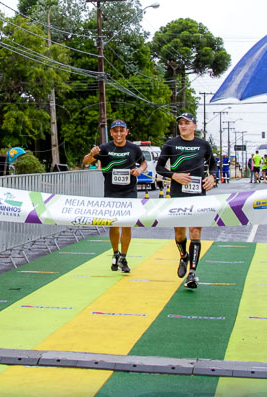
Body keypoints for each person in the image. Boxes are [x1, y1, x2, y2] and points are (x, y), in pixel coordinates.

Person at [156, 112, 216, 289]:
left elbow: (213, 164)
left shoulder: (203, 145)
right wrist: (174, 175)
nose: (183, 126)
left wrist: (212, 177)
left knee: (195, 231)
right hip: (177, 195)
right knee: (180, 233)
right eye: (181, 123)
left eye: (187, 123)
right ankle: (183, 256)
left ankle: (192, 273)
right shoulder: (171, 144)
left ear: (194, 126)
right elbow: (159, 167)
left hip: (198, 194)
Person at [82, 119, 147, 274]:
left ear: (126, 132)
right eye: (115, 131)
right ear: (111, 133)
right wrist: (92, 154)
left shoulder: (133, 148)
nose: (119, 134)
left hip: (129, 192)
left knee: (126, 225)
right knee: (113, 225)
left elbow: (143, 163)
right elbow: (86, 162)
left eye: (121, 130)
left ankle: (124, 257)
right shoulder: (104, 148)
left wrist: (140, 170)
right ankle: (115, 252)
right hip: (111, 192)